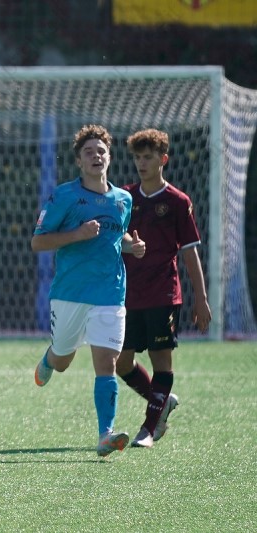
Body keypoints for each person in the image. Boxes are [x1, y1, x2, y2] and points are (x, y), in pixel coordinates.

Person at [31, 124, 146, 457]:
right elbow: (38, 242)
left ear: (109, 157)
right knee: (63, 360)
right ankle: (50, 358)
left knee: (107, 362)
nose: (96, 156)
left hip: (110, 292)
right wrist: (77, 234)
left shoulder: (123, 199)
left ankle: (105, 434)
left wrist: (132, 246)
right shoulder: (64, 196)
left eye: (101, 151)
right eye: (88, 152)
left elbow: (118, 236)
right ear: (79, 161)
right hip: (70, 293)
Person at [118, 128, 211, 448]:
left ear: (163, 159)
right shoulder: (125, 198)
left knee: (161, 362)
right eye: (137, 158)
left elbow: (190, 252)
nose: (141, 163)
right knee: (120, 363)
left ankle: (149, 427)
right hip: (128, 294)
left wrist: (201, 298)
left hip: (163, 294)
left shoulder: (177, 201)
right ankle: (162, 402)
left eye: (148, 157)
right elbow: (114, 238)